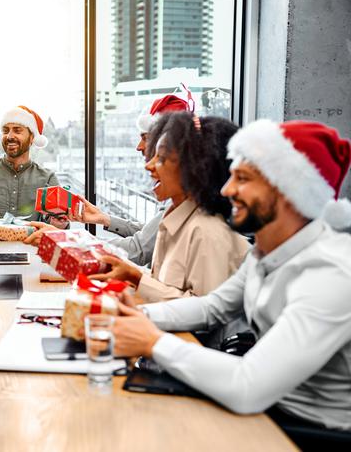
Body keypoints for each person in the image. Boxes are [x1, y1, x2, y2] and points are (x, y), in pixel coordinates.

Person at [111, 120, 351, 438]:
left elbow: (247, 385)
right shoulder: (267, 251)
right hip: (269, 408)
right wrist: (134, 315)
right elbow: (212, 307)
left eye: (243, 178)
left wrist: (152, 341)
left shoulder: (330, 274)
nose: (226, 189)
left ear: (289, 190)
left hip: (308, 430)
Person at [90, 112, 250, 302]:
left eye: (161, 159)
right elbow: (165, 286)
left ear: (195, 168)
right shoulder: (174, 221)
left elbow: (204, 313)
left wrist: (137, 278)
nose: (148, 165)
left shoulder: (207, 232)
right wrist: (132, 276)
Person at [71, 94, 192, 265]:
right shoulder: (178, 191)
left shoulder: (183, 197)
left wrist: (72, 242)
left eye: (145, 138)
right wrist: (104, 218)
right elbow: (151, 234)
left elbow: (139, 249)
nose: (139, 147)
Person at [0, 106, 68, 228]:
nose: (9, 136)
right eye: (6, 131)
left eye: (17, 131)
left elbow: (56, 228)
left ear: (32, 138)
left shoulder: (48, 178)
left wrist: (59, 223)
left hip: (31, 246)